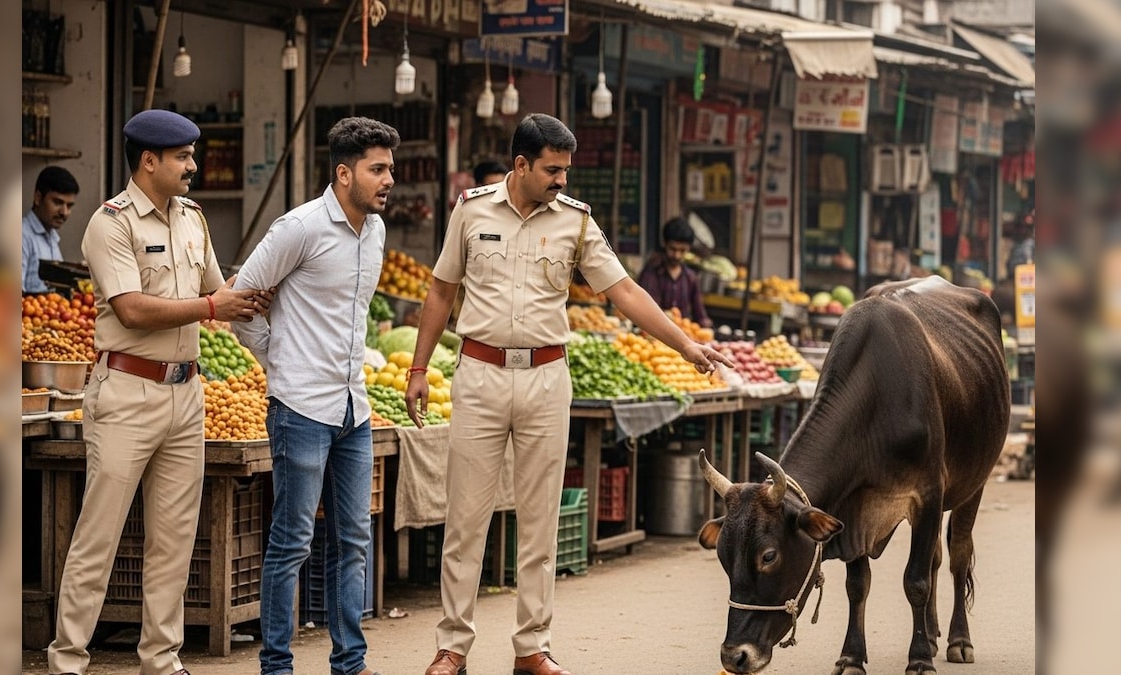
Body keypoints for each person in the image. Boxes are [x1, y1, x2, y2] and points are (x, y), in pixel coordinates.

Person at [404, 113, 734, 675]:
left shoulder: (578, 222)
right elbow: (440, 291)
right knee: (465, 521)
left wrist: (686, 345)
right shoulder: (470, 208)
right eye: (553, 170)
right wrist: (416, 369)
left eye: (566, 170)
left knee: (540, 521)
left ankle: (532, 647)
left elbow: (624, 291)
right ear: (521, 165)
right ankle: (452, 647)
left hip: (547, 378)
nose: (562, 180)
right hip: (478, 375)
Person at [47, 109, 270, 675]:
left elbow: (219, 291)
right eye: (184, 157)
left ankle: (162, 661)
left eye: (192, 155)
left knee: (174, 541)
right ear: (149, 161)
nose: (193, 166)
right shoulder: (110, 223)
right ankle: (67, 660)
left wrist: (265, 284)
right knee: (99, 537)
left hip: (186, 395)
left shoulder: (193, 218)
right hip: (125, 393)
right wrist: (213, 306)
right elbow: (132, 309)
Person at [233, 117, 399, 675]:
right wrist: (278, 359)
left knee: (354, 539)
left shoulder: (375, 231)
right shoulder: (298, 228)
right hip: (300, 408)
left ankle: (350, 663)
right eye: (378, 169)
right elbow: (239, 300)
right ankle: (276, 665)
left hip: (354, 407)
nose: (388, 180)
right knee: (293, 542)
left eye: (391, 170)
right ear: (344, 173)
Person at [637, 216, 712, 328]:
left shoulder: (690, 277)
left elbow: (700, 315)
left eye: (682, 250)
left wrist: (707, 327)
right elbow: (646, 311)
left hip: (683, 335)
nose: (677, 255)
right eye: (673, 249)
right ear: (665, 244)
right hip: (654, 335)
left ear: (689, 249)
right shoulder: (652, 273)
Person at [22, 166, 80, 293]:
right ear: (38, 198)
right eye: (57, 202)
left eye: (69, 206)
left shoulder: (51, 237)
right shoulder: (21, 236)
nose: (64, 212)